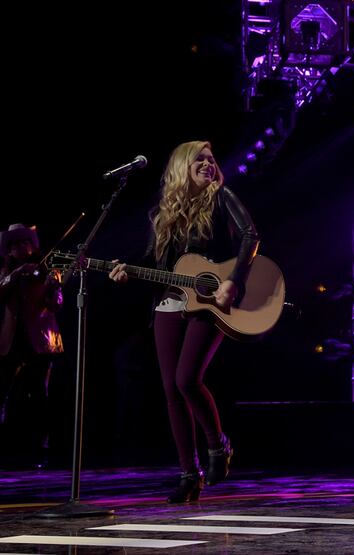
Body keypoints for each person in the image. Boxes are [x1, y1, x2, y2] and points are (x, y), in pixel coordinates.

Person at [109, 141, 259, 503]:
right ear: (181, 166)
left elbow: (250, 236)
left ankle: (217, 445)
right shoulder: (162, 212)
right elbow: (153, 260)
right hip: (170, 301)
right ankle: (189, 474)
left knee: (186, 379)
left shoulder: (221, 197)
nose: (208, 164)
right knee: (171, 390)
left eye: (211, 159)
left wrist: (233, 281)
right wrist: (126, 271)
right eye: (199, 159)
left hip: (210, 299)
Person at [0, 223, 63, 468]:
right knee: (4, 391)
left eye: (25, 241)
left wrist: (54, 286)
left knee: (39, 393)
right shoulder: (6, 271)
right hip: (11, 340)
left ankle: (40, 447)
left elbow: (56, 304)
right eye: (15, 243)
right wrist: (17, 273)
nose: (21, 246)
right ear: (9, 249)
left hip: (40, 340)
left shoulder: (46, 269)